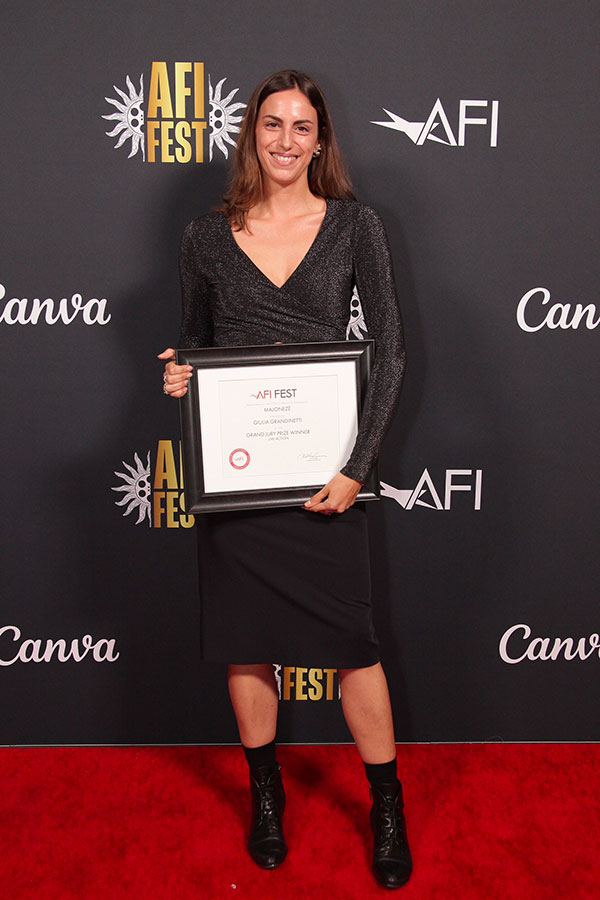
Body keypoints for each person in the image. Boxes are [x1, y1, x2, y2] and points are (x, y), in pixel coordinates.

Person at [159, 69, 411, 890]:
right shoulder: (204, 235)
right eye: (273, 124)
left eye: (303, 127)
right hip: (239, 483)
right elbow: (194, 344)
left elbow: (391, 353)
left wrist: (356, 469)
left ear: (320, 140)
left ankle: (386, 805)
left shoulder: (355, 225)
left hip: (326, 477)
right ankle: (266, 796)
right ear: (252, 134)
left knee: (354, 652)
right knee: (246, 647)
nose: (286, 140)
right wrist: (180, 374)